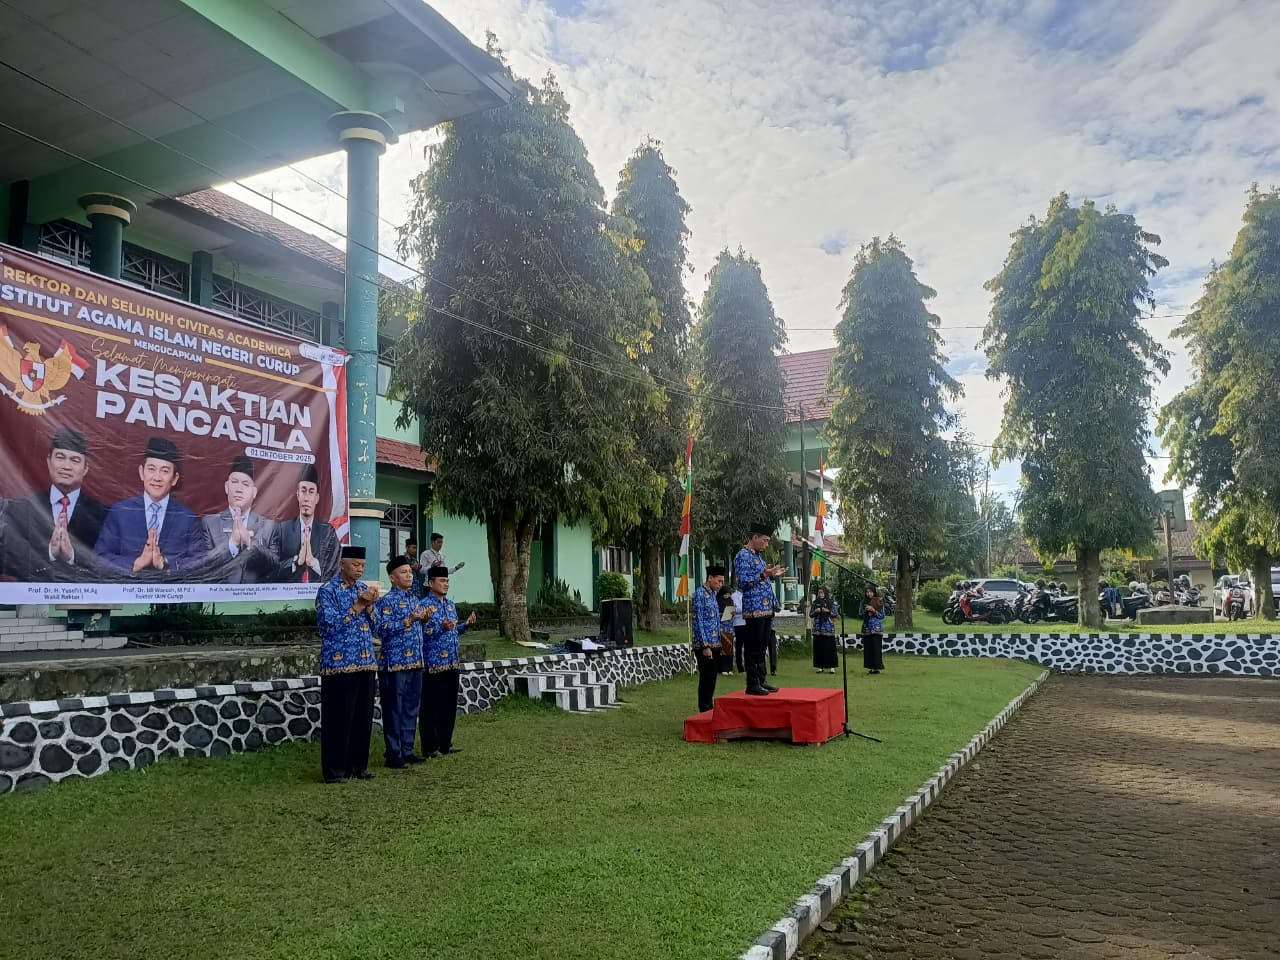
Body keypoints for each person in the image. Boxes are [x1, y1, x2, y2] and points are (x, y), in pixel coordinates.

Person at [3, 427, 106, 581]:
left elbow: (108, 564)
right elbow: (7, 558)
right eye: (60, 457)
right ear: (49, 461)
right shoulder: (24, 507)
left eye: (75, 460)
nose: (66, 466)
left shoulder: (101, 514)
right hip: (33, 600)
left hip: (84, 601)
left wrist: (73, 556)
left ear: (85, 469)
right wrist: (49, 553)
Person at [315, 545, 380, 784]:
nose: (359, 569)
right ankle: (335, 771)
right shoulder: (328, 591)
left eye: (362, 565)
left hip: (365, 663)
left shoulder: (364, 589)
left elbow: (377, 627)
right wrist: (358, 606)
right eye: (355, 565)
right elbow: (328, 626)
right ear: (342, 564)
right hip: (339, 665)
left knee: (362, 719)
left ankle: (358, 767)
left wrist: (371, 606)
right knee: (338, 719)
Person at [95, 436, 203, 576]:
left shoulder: (187, 517)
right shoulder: (120, 512)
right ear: (142, 472)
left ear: (175, 478)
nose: (157, 478)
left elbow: (199, 562)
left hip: (170, 595)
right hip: (128, 594)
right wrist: (136, 564)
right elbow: (100, 558)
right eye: (151, 469)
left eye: (164, 471)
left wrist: (165, 564)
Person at [372, 555, 430, 769]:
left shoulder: (415, 599)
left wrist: (423, 619)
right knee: (394, 709)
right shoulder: (386, 602)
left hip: (416, 662)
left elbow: (418, 629)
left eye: (410, 572)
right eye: (404, 572)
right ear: (392, 578)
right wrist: (408, 620)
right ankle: (393, 753)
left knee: (410, 709)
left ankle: (407, 749)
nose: (409, 575)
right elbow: (380, 630)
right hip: (394, 664)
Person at [419, 565, 477, 757]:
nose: (446, 584)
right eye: (442, 581)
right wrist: (440, 628)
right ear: (430, 583)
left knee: (449, 706)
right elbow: (422, 634)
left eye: (447, 581)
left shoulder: (450, 605)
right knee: (431, 706)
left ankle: (445, 743)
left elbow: (452, 629)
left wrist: (464, 625)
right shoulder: (424, 606)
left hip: (452, 662)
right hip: (433, 663)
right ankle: (430, 746)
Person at [199, 455, 275, 584]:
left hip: (257, 600)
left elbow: (275, 567)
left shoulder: (268, 526)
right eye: (234, 482)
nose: (239, 489)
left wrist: (250, 544)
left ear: (254, 492)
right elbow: (205, 565)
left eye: (245, 484)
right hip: (220, 600)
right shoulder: (210, 523)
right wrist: (232, 544)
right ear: (226, 487)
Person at [734, 522, 787, 696]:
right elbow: (743, 582)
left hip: (766, 607)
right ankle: (752, 682)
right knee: (753, 646)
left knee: (763, 644)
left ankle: (762, 679)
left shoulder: (758, 556)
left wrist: (772, 575)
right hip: (754, 608)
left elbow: (762, 579)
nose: (766, 544)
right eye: (764, 540)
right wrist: (764, 574)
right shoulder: (743, 555)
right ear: (754, 537)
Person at [265, 464, 339, 583]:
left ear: (317, 498)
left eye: (311, 492)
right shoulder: (283, 530)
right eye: (303, 491)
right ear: (298, 495)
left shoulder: (327, 532)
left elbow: (335, 570)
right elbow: (271, 570)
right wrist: (296, 562)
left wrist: (313, 563)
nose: (306, 498)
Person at [692, 565, 727, 711]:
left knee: (712, 678)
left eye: (722, 582)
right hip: (704, 644)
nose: (720, 584)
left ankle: (709, 707)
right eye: (718, 581)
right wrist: (705, 645)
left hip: (715, 642)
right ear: (710, 578)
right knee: (706, 678)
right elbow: (698, 620)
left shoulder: (713, 594)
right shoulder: (700, 594)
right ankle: (704, 708)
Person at [811, 586, 839, 673]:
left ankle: (832, 667)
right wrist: (816, 611)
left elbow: (835, 613)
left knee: (830, 648)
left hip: (828, 629)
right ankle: (820, 666)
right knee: (819, 648)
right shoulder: (815, 603)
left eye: (822, 592)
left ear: (825, 593)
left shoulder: (831, 602)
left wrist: (827, 611)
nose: (820, 594)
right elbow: (811, 614)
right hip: (818, 629)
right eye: (819, 593)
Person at [860, 585, 886, 675]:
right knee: (868, 648)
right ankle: (870, 667)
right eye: (867, 592)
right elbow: (860, 614)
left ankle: (877, 667)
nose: (869, 593)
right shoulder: (863, 602)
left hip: (876, 628)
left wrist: (874, 611)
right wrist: (866, 611)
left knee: (876, 648)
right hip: (867, 627)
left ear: (874, 592)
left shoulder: (879, 601)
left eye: (870, 592)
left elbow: (882, 615)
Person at [715, 585, 736, 676]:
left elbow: (732, 614)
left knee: (729, 648)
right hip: (721, 627)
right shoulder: (718, 601)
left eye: (728, 594)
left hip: (729, 627)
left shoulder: (731, 601)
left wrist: (732, 613)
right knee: (723, 648)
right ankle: (722, 668)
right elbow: (715, 614)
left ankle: (729, 668)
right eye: (725, 594)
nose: (727, 596)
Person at [730, 586, 747, 674]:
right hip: (738, 623)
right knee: (739, 645)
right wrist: (747, 608)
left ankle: (748, 665)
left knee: (748, 645)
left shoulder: (747, 594)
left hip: (747, 622)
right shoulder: (734, 596)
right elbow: (736, 609)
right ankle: (740, 666)